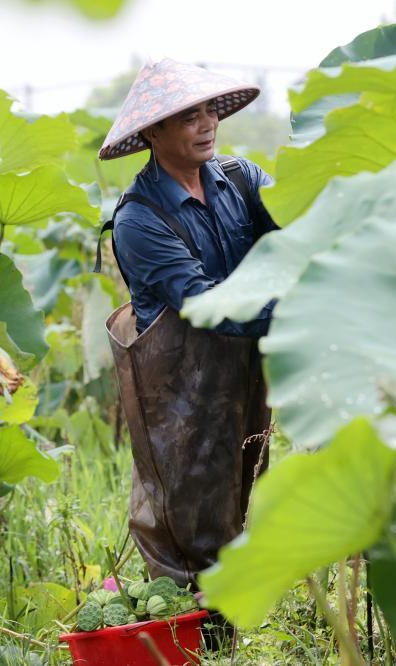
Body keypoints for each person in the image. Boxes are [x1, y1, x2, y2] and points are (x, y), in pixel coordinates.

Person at [96, 58, 277, 619]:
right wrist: (298, 311)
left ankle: (232, 630)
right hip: (180, 398)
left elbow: (296, 231)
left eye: (209, 111)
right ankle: (193, 636)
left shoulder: (242, 180)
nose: (207, 124)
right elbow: (203, 304)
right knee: (189, 526)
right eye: (188, 117)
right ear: (153, 132)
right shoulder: (139, 219)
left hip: (246, 375)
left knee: (244, 499)